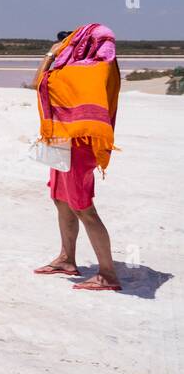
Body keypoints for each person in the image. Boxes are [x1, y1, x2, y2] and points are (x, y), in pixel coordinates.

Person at [31, 25, 122, 292]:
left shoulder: (87, 70)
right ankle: (67, 259)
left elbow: (39, 82)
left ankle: (108, 274)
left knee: (83, 207)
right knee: (61, 200)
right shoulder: (84, 67)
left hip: (78, 147)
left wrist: (51, 54)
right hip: (64, 141)